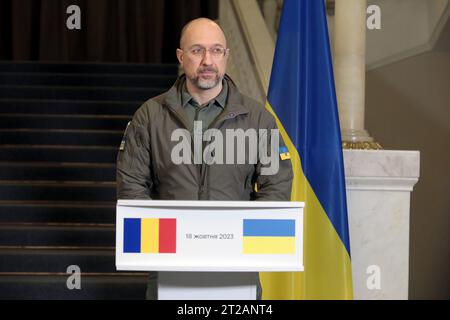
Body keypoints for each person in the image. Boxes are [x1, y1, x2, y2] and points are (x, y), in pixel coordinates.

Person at [116, 18, 293, 300]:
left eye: (216, 50)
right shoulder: (149, 116)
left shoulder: (258, 119)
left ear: (226, 56)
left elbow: (277, 186)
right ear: (181, 56)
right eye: (197, 50)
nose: (207, 60)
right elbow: (132, 187)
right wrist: (166, 242)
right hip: (169, 264)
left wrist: (243, 241)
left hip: (237, 266)